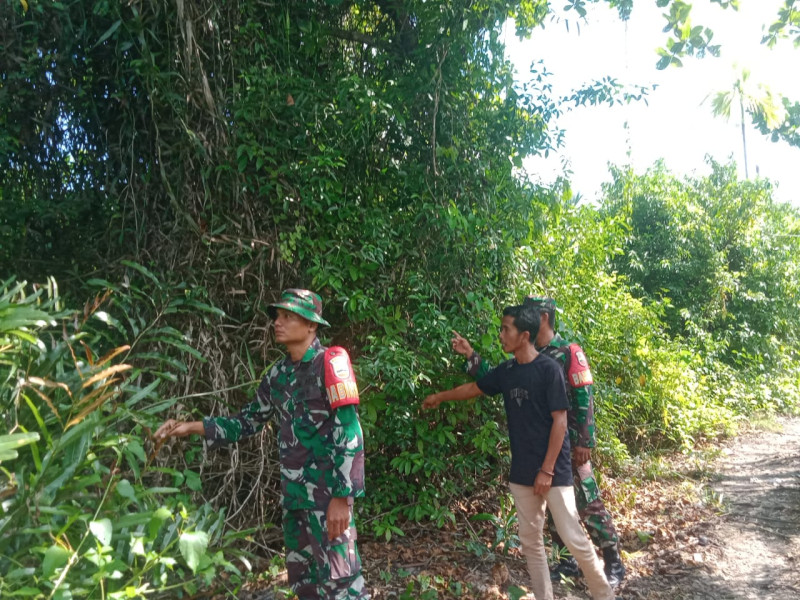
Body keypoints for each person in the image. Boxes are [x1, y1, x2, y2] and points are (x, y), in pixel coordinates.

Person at [154, 288, 369, 600]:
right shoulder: (277, 375)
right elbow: (247, 422)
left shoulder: (331, 362)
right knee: (306, 586)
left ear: (311, 324)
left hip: (327, 499)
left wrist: (342, 496)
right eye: (277, 316)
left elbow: (349, 430)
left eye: (288, 316)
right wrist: (189, 427)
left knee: (342, 586)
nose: (277, 323)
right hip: (295, 500)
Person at [423, 303, 616, 600]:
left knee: (574, 538)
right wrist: (439, 396)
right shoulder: (508, 371)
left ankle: (605, 595)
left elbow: (561, 422)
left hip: (555, 471)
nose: (501, 335)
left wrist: (547, 470)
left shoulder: (550, 368)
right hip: (522, 472)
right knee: (531, 543)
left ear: (524, 335)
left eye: (506, 329)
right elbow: (475, 388)